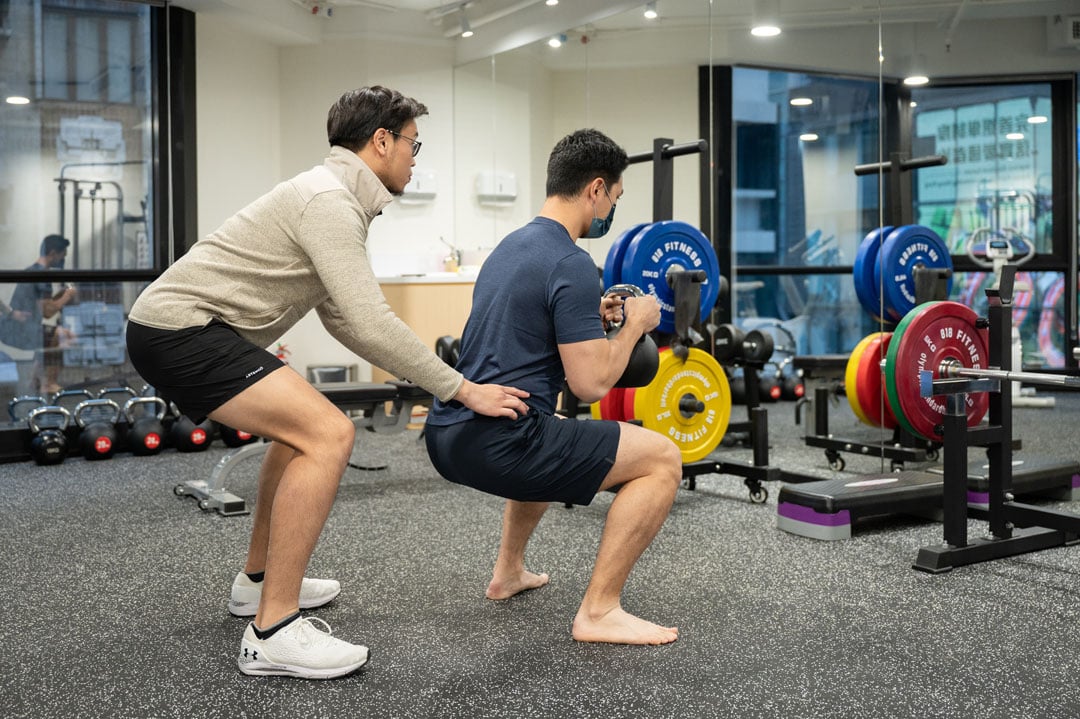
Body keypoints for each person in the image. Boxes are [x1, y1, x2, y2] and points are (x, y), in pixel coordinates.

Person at [125, 85, 530, 680]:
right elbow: (368, 319)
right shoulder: (329, 201)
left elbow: (344, 319)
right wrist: (460, 388)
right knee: (329, 433)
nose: (416, 158)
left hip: (183, 330)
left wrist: (435, 380)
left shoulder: (336, 198)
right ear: (381, 141)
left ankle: (257, 583)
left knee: (298, 436)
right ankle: (273, 631)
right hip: (182, 331)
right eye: (413, 144)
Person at [424, 129, 683, 646]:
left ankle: (508, 573)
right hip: (500, 441)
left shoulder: (511, 246)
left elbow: (533, 333)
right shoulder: (572, 262)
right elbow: (589, 385)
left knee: (556, 429)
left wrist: (592, 314)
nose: (612, 208)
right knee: (663, 459)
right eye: (615, 196)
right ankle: (600, 611)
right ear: (595, 189)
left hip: (447, 432)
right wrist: (634, 324)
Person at [6, 235, 77, 395]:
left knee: (50, 337)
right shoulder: (42, 277)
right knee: (64, 336)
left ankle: (35, 380)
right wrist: (68, 295)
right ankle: (48, 383)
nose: (62, 260)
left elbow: (43, 306)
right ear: (53, 253)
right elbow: (47, 311)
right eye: (62, 256)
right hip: (20, 329)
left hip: (20, 327)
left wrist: (60, 295)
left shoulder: (34, 270)